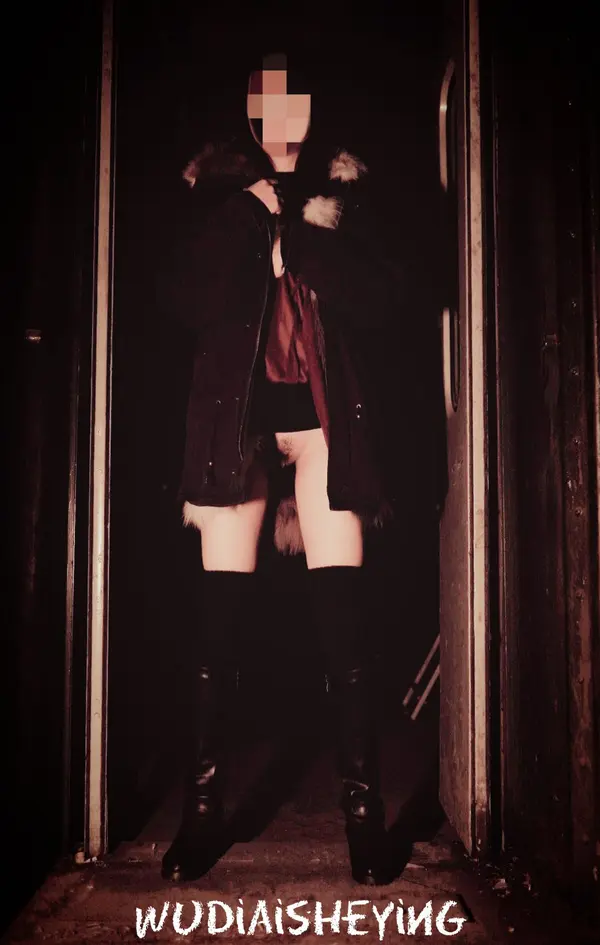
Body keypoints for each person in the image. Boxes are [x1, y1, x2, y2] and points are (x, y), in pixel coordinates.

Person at [160, 51, 401, 886]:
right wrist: (244, 217)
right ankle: (201, 815)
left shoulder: (345, 189)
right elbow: (182, 300)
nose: (281, 118)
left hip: (324, 426)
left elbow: (383, 301)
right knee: (215, 626)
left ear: (312, 108)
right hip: (234, 428)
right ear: (249, 112)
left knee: (345, 622)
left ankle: (364, 820)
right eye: (266, 104)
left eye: (294, 102)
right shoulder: (215, 192)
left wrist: (300, 234)